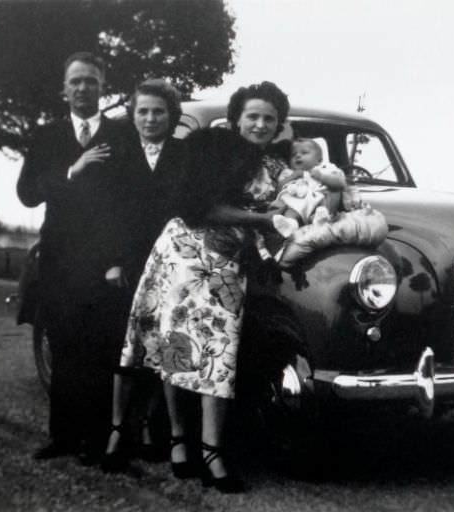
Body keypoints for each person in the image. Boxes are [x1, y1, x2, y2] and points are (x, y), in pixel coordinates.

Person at [119, 81, 290, 493]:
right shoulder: (210, 147)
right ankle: (180, 439)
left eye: (269, 118)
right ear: (236, 119)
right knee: (176, 346)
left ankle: (212, 450)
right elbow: (199, 207)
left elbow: (301, 201)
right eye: (253, 116)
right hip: (186, 254)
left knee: (218, 351)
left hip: (229, 262)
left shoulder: (277, 167)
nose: (260, 124)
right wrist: (264, 220)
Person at [16, 51, 133, 464]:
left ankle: (94, 441)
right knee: (63, 346)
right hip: (59, 258)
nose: (84, 88)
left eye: (92, 81)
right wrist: (72, 170)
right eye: (76, 81)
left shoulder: (121, 135)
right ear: (64, 89)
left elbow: (128, 204)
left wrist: (118, 258)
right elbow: (27, 193)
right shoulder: (47, 136)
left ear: (104, 86)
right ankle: (62, 436)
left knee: (99, 348)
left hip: (104, 260)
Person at [101, 78, 187, 472]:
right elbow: (106, 214)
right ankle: (118, 429)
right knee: (128, 346)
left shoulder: (185, 155)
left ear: (171, 116)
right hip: (130, 261)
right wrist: (114, 260)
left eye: (159, 111)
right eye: (143, 111)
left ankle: (155, 425)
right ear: (132, 115)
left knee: (163, 345)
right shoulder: (117, 154)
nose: (151, 118)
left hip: (172, 262)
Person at [271, 137, 348, 237]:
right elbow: (279, 189)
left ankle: (322, 219)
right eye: (293, 155)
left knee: (334, 190)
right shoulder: (288, 172)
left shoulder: (325, 168)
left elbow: (340, 183)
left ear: (319, 160)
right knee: (290, 208)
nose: (298, 156)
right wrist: (293, 176)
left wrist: (321, 177)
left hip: (321, 204)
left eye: (304, 153)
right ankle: (290, 224)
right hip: (298, 205)